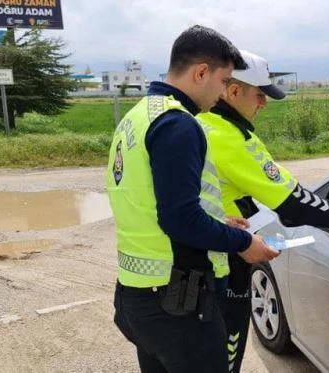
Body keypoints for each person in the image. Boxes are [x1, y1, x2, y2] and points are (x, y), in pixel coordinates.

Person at [106, 26, 279, 373]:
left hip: (137, 294)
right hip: (178, 302)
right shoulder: (179, 125)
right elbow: (180, 219)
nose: (222, 93)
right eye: (222, 80)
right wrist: (243, 241)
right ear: (201, 72)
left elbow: (156, 204)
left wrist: (218, 224)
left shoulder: (138, 115)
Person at [196, 50, 329, 373]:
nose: (264, 104)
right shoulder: (229, 138)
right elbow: (292, 199)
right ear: (233, 91)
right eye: (259, 95)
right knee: (224, 357)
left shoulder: (203, 124)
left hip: (201, 260)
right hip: (224, 266)